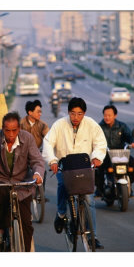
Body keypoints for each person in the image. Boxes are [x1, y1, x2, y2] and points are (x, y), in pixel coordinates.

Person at [0, 112, 45, 252]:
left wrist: (37, 174)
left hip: (22, 182)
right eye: (7, 130)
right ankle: (0, 229)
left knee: (27, 225)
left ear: (19, 129)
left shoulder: (27, 138)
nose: (11, 134)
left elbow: (37, 160)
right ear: (2, 129)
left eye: (14, 130)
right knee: (1, 192)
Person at [42, 97, 107, 249]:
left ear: (84, 113)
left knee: (89, 200)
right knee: (62, 185)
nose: (76, 117)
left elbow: (100, 143)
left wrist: (97, 157)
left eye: (79, 114)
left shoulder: (91, 124)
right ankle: (61, 214)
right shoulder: (59, 124)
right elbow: (48, 142)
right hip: (64, 166)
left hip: (84, 167)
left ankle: (93, 236)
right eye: (72, 113)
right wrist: (52, 160)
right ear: (68, 112)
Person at [96, 105, 134, 198]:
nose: (107, 117)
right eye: (105, 115)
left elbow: (130, 136)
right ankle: (99, 189)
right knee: (98, 167)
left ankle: (129, 186)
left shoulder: (122, 126)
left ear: (115, 115)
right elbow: (95, 139)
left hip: (120, 153)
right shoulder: (99, 127)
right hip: (106, 154)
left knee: (132, 163)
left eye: (109, 115)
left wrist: (133, 142)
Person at [20, 100, 50, 201]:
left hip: (36, 152)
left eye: (40, 111)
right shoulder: (20, 124)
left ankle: (40, 194)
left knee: (42, 171)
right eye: (38, 111)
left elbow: (49, 138)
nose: (40, 114)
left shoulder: (42, 125)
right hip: (21, 153)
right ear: (30, 112)